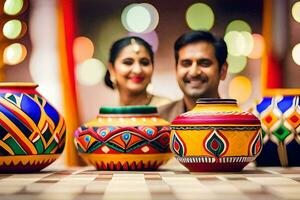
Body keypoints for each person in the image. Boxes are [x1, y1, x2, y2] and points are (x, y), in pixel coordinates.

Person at [158, 30, 228, 121]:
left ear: (223, 70)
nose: (194, 72)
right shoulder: (158, 122)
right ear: (176, 69)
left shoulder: (241, 124)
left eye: (204, 63)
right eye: (186, 63)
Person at [104, 36, 171, 107]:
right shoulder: (107, 116)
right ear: (112, 69)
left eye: (145, 63)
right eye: (128, 62)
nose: (137, 70)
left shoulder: (168, 110)